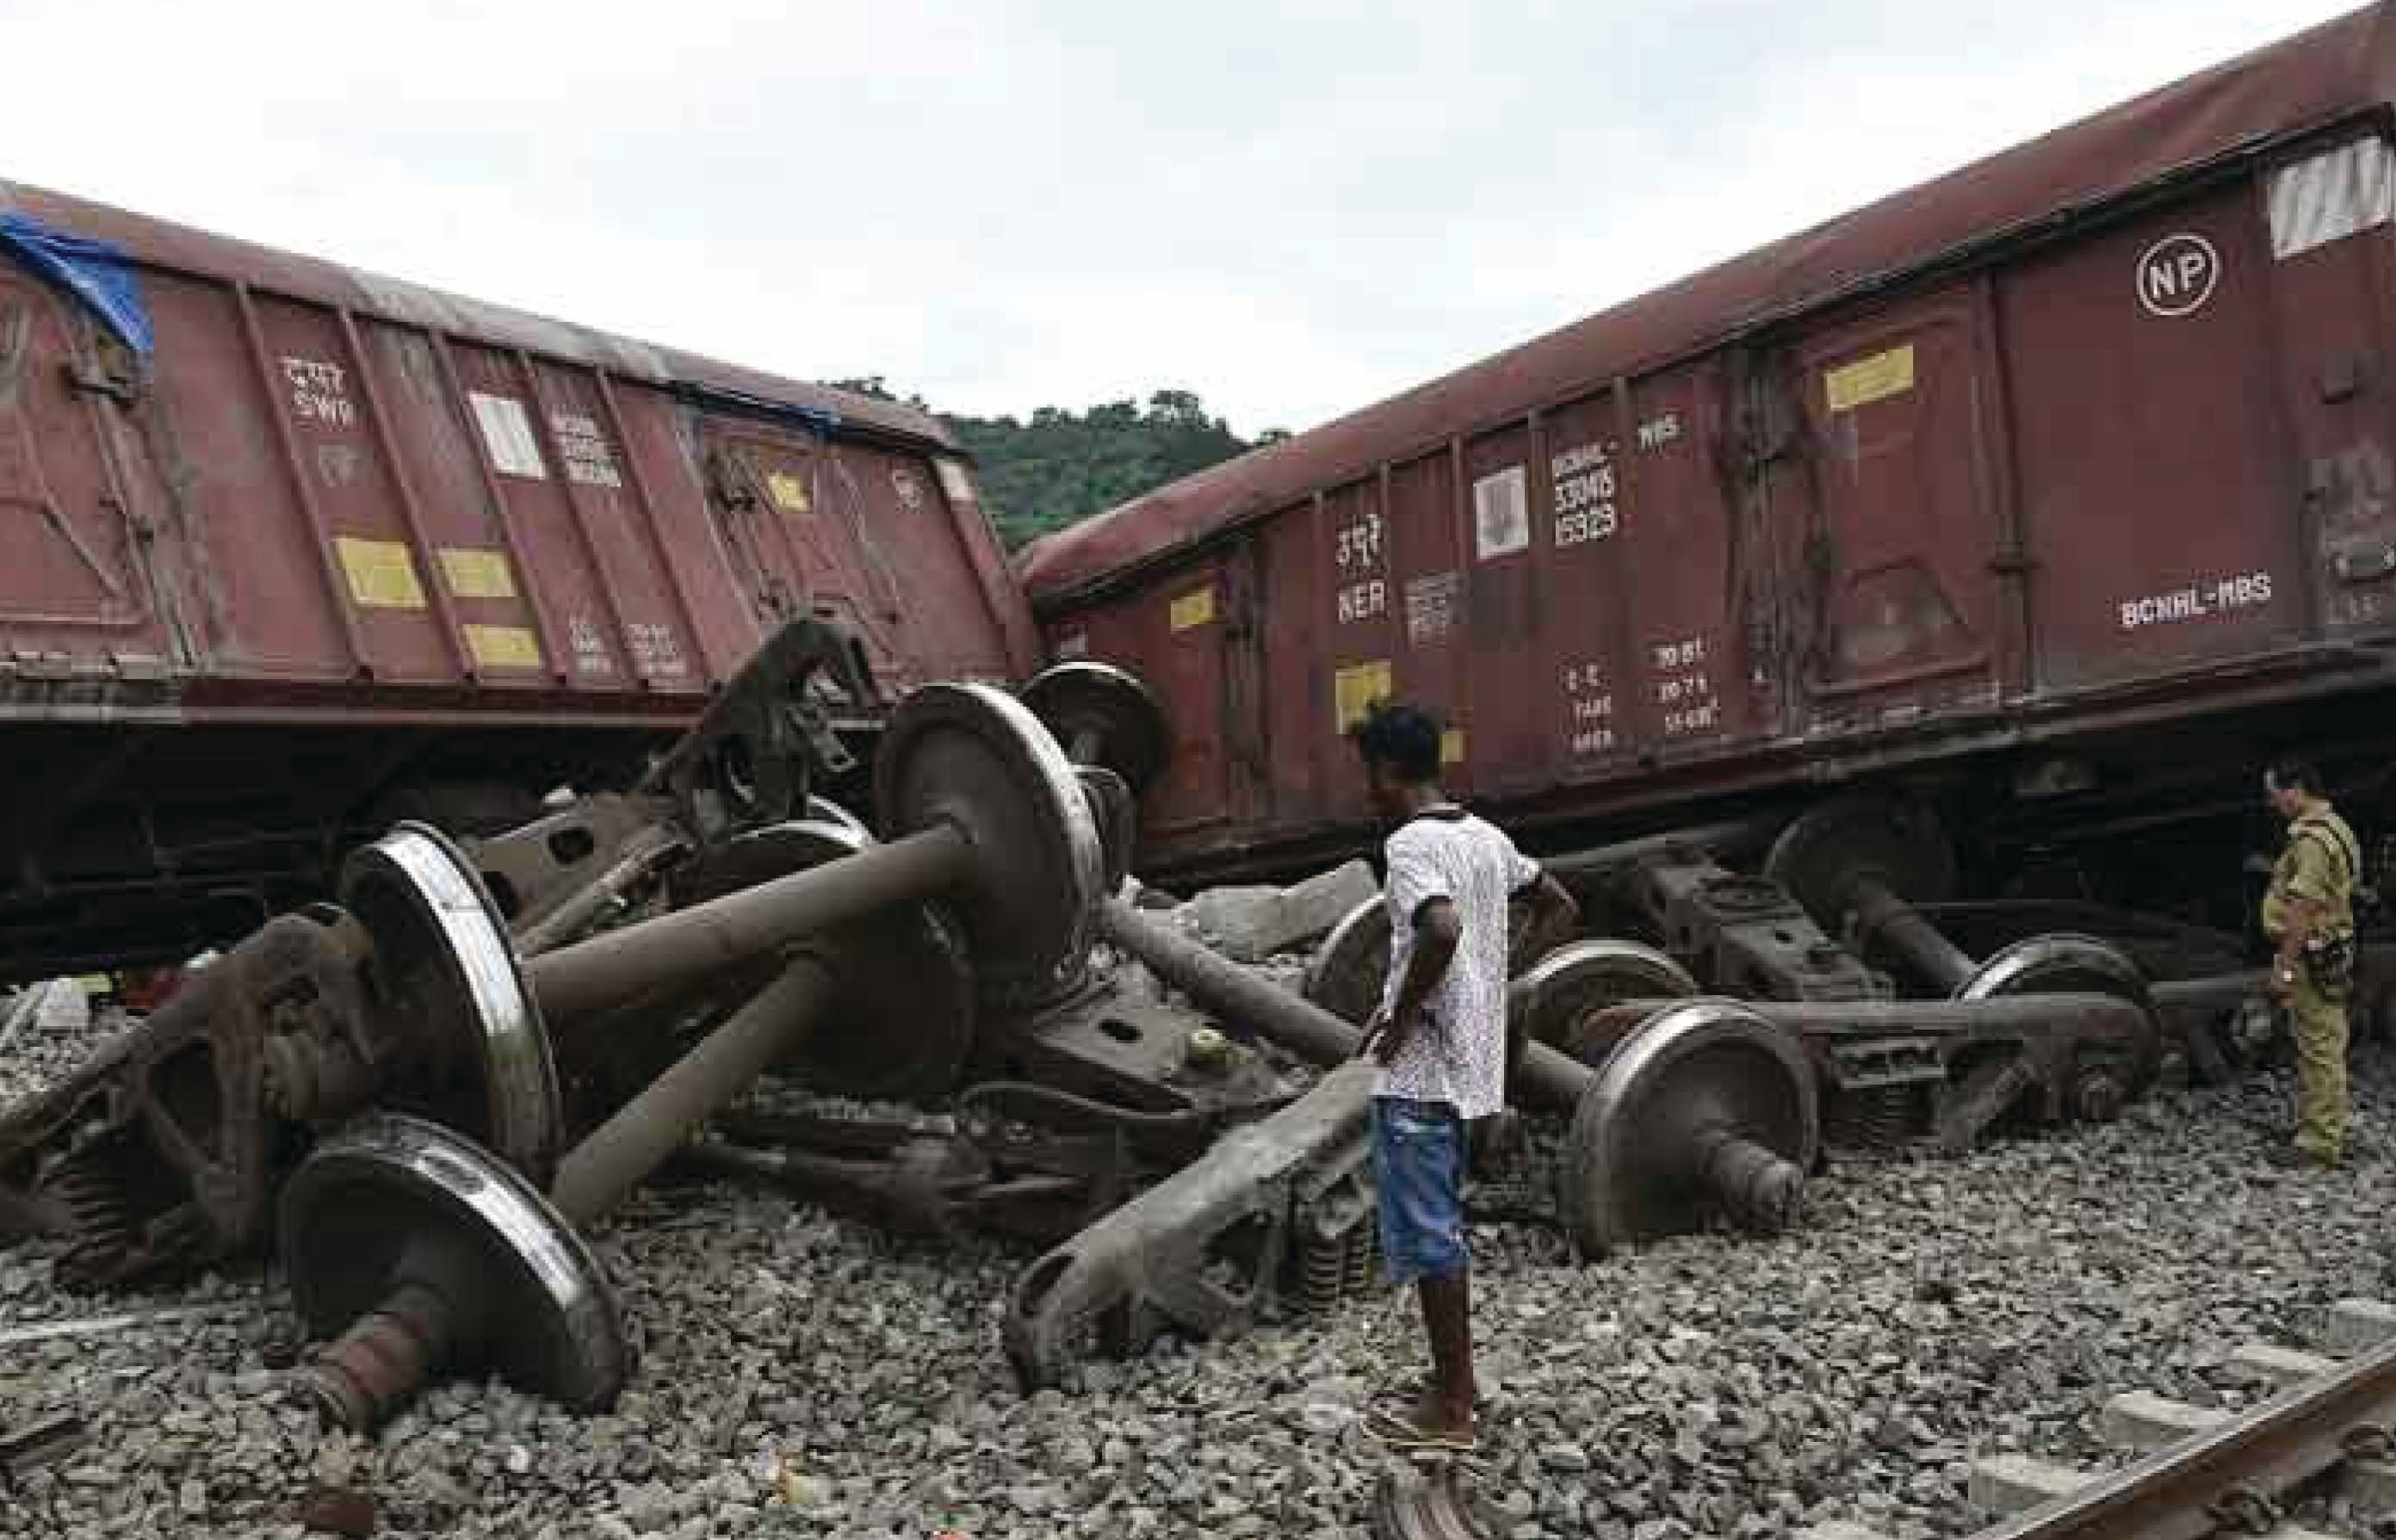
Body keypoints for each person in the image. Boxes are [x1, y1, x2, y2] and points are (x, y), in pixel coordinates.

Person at [1348, 701, 1577, 1451]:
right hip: (1470, 1062)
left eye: (1368, 775)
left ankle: (1451, 1411)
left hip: (1420, 1071)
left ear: (1386, 770)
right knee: (1439, 1223)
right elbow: (1558, 903)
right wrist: (1502, 978)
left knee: (1428, 1233)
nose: (1367, 791)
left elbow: (1439, 929)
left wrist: (1404, 1014)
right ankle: (1460, 1384)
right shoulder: (1486, 837)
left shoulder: (1409, 844)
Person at [2259, 756, 2362, 1170]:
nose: (2272, 803)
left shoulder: (2312, 841)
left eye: (2274, 794)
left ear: (2297, 788)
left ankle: (2319, 1143)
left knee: (2320, 1045)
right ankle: (2320, 1127)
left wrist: (2283, 966)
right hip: (2328, 947)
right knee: (2323, 1042)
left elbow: (2303, 908)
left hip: (2311, 954)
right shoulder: (2335, 827)